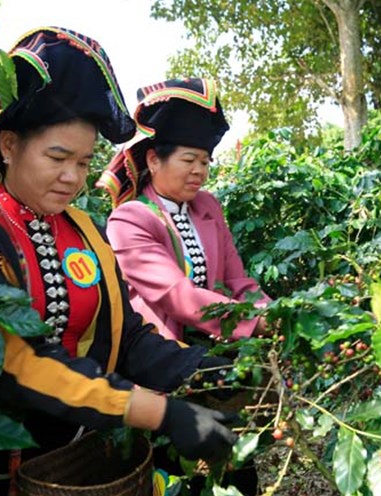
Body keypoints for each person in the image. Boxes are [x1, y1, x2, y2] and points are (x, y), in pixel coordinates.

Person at [0, 28, 237, 493]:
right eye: (57, 157)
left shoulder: (85, 230)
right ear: (9, 146)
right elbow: (15, 362)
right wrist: (160, 412)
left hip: (78, 463)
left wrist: (203, 369)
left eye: (85, 162)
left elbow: (126, 336)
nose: (72, 177)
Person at [97, 78, 270, 344]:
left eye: (204, 162)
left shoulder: (208, 206)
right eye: (189, 160)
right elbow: (175, 293)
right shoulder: (129, 220)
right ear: (154, 160)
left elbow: (237, 281)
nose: (199, 170)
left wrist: (275, 312)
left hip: (217, 340)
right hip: (160, 348)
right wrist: (253, 321)